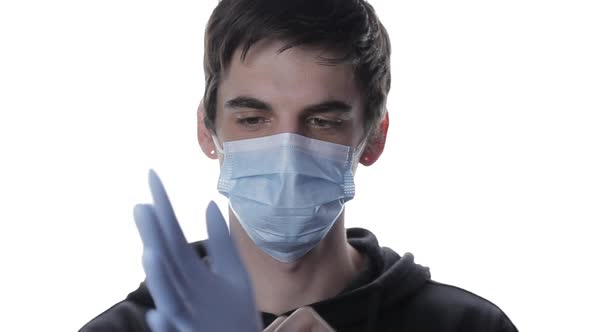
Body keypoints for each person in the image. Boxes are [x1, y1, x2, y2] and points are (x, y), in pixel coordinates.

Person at [80, 0, 518, 331]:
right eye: (253, 119)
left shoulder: (467, 326)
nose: (287, 153)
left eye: (323, 121)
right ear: (205, 129)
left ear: (375, 137)